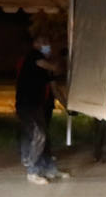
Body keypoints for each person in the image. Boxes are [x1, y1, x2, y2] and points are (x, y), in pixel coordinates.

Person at [15, 35, 69, 185]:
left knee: (44, 137)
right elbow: (54, 67)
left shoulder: (42, 63)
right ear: (35, 44)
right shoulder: (34, 56)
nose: (48, 45)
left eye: (48, 42)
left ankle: (49, 168)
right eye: (44, 42)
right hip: (27, 105)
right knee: (38, 135)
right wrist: (60, 57)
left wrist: (65, 103)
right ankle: (33, 170)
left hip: (37, 105)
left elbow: (53, 83)